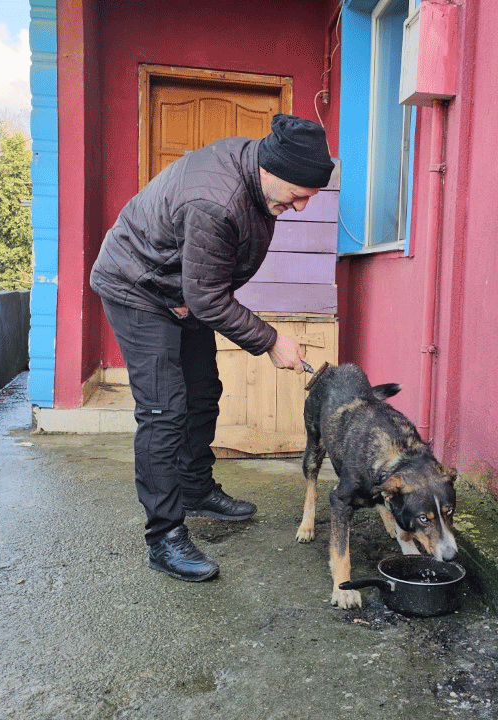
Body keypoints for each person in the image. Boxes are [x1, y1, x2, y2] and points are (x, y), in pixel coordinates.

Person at [89, 113, 335, 582]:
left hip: (182, 291)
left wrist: (192, 299)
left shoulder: (258, 181)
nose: (304, 207)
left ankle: (194, 488)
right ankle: (164, 537)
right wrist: (270, 341)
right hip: (137, 286)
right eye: (301, 195)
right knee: (164, 410)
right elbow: (208, 297)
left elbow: (203, 290)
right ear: (273, 170)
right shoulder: (216, 199)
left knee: (203, 391)